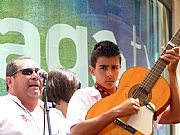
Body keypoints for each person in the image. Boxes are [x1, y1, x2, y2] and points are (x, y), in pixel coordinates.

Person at [66, 40, 180, 135]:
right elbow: (76, 132)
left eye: (114, 67)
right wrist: (118, 111)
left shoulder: (135, 97)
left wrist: (172, 72)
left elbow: (176, 116)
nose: (110, 73)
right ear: (92, 70)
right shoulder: (83, 96)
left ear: (120, 67)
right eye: (103, 68)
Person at [0, 56, 69, 135]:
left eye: (38, 72)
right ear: (10, 81)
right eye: (27, 72)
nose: (35, 77)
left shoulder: (54, 115)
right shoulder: (2, 107)